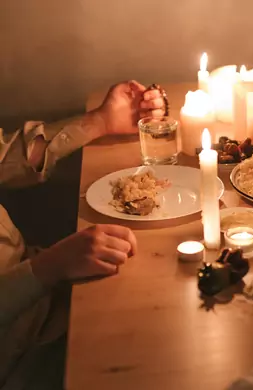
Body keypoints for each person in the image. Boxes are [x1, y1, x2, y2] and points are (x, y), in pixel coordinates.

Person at [0, 81, 166, 389]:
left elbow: (6, 157)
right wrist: (51, 266)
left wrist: (101, 122)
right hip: (20, 356)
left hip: (45, 294)